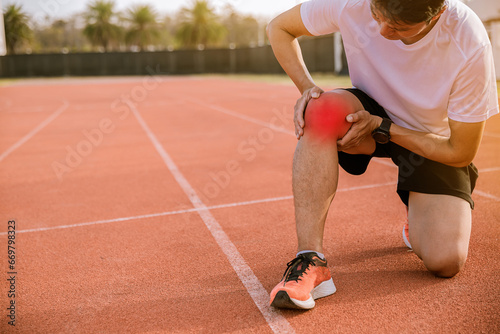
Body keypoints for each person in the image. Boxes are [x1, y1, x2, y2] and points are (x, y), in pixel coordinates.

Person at [266, 0, 499, 310]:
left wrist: (385, 127)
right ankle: (310, 260)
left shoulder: (468, 39)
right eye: (377, 15)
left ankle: (416, 216)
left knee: (446, 261)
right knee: (320, 111)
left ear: (438, 13)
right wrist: (307, 87)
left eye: (399, 28)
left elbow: (459, 151)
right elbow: (279, 27)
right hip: (367, 117)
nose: (381, 30)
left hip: (430, 141)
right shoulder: (354, 3)